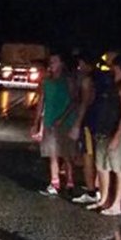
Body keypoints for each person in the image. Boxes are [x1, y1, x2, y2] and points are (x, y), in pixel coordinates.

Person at [92, 54, 121, 215]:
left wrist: (118, 135)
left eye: (113, 65)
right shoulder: (113, 84)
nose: (110, 67)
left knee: (119, 169)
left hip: (118, 133)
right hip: (104, 130)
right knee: (102, 166)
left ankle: (117, 204)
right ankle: (103, 200)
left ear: (120, 67)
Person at [33, 52, 76, 197]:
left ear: (61, 64)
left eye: (55, 61)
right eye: (50, 61)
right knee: (52, 154)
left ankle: (70, 183)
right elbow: (41, 102)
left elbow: (73, 101)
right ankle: (55, 183)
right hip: (49, 121)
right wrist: (36, 122)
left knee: (66, 154)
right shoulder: (46, 81)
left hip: (65, 122)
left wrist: (63, 118)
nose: (51, 64)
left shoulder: (67, 81)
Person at [69, 52, 100, 205]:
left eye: (81, 63)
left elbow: (85, 103)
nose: (79, 66)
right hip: (100, 122)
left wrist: (77, 124)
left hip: (89, 122)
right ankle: (98, 187)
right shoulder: (102, 78)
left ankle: (91, 192)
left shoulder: (87, 80)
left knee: (88, 156)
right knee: (97, 156)